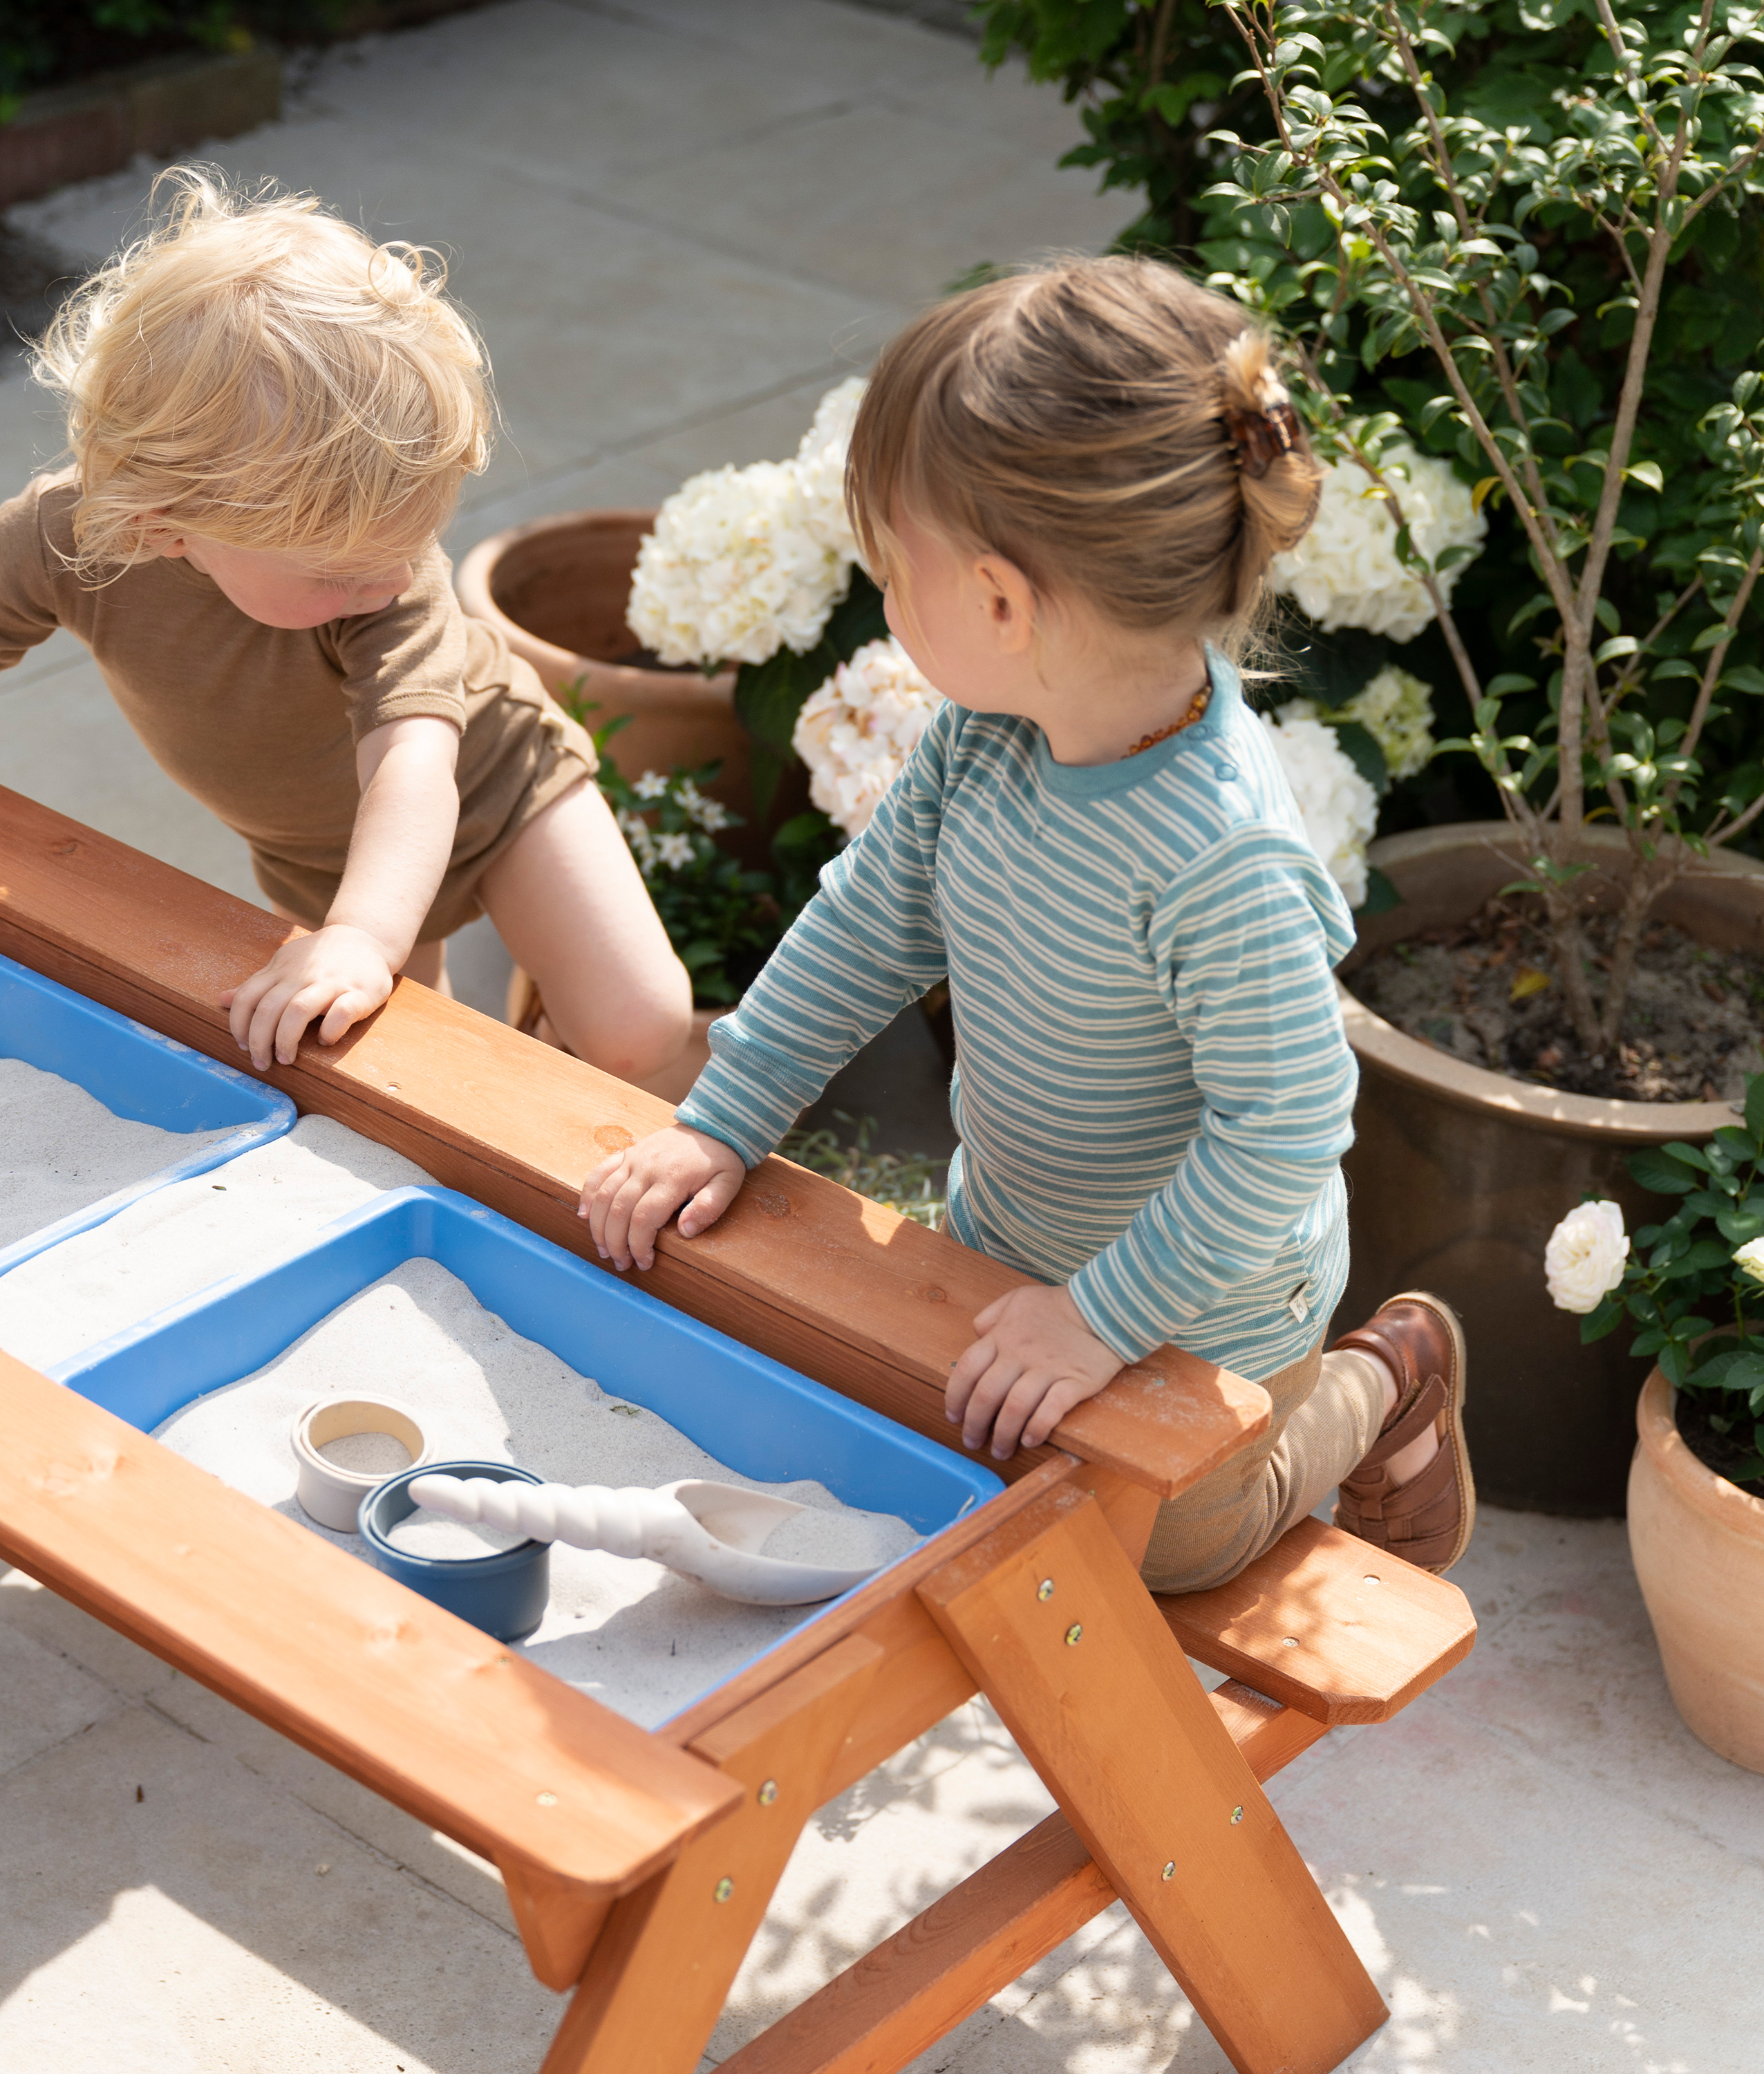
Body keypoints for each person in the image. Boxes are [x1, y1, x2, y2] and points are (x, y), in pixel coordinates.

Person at [578, 256, 1472, 1587]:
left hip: (1205, 1313)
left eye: (891, 572)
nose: (881, 601)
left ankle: (1382, 1380)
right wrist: (726, 1110)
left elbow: (1283, 1135)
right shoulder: (985, 735)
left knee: (1169, 1549)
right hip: (1015, 1241)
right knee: (941, 1463)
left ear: (1001, 602)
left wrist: (1102, 1321)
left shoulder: (1217, 856)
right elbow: (869, 919)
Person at [0, 172, 692, 1085]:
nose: (395, 579)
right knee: (403, 1068)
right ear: (169, 526)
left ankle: (620, 1052)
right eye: (342, 570)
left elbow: (414, 765)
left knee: (637, 1027)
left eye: (415, 543)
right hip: (319, 851)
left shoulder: (383, 581)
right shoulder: (68, 537)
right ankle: (504, 1037)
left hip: (494, 778)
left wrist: (364, 935)